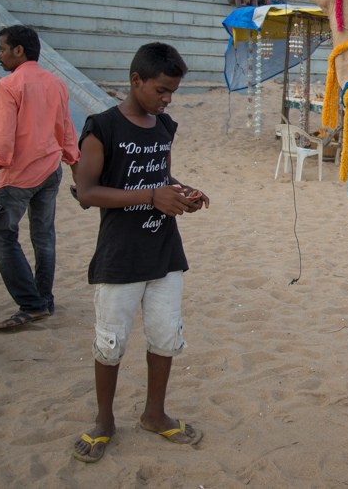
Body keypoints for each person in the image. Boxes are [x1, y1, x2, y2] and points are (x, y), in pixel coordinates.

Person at [70, 43, 209, 464]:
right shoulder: (102, 127)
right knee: (110, 343)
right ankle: (104, 421)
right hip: (121, 255)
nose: (167, 100)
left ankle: (154, 413)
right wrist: (152, 196)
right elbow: (86, 191)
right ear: (136, 81)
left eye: (172, 93)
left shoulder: (163, 125)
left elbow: (158, 175)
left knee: (165, 337)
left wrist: (181, 192)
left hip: (164, 253)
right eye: (161, 91)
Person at [0, 25, 79, 330]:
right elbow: (66, 130)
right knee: (43, 235)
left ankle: (32, 304)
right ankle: (43, 299)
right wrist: (74, 168)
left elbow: (2, 140)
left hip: (19, 174)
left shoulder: (8, 85)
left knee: (3, 236)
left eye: (2, 48)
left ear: (18, 50)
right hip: (50, 170)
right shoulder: (57, 83)